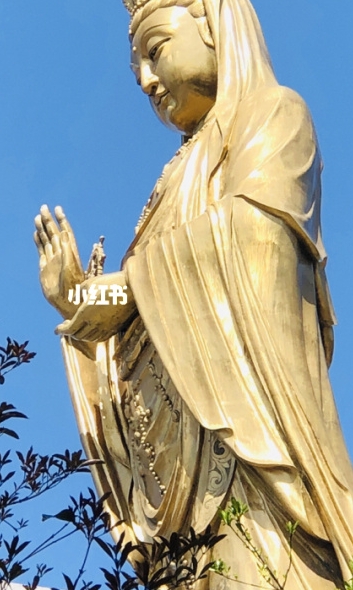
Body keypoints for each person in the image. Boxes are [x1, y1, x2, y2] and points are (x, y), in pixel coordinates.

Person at [34, 0, 353, 586]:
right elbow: (139, 312)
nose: (147, 80)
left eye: (155, 51)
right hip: (178, 479)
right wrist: (78, 302)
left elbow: (258, 242)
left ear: (213, 24)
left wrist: (127, 287)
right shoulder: (173, 179)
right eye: (136, 71)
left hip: (253, 454)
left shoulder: (274, 114)